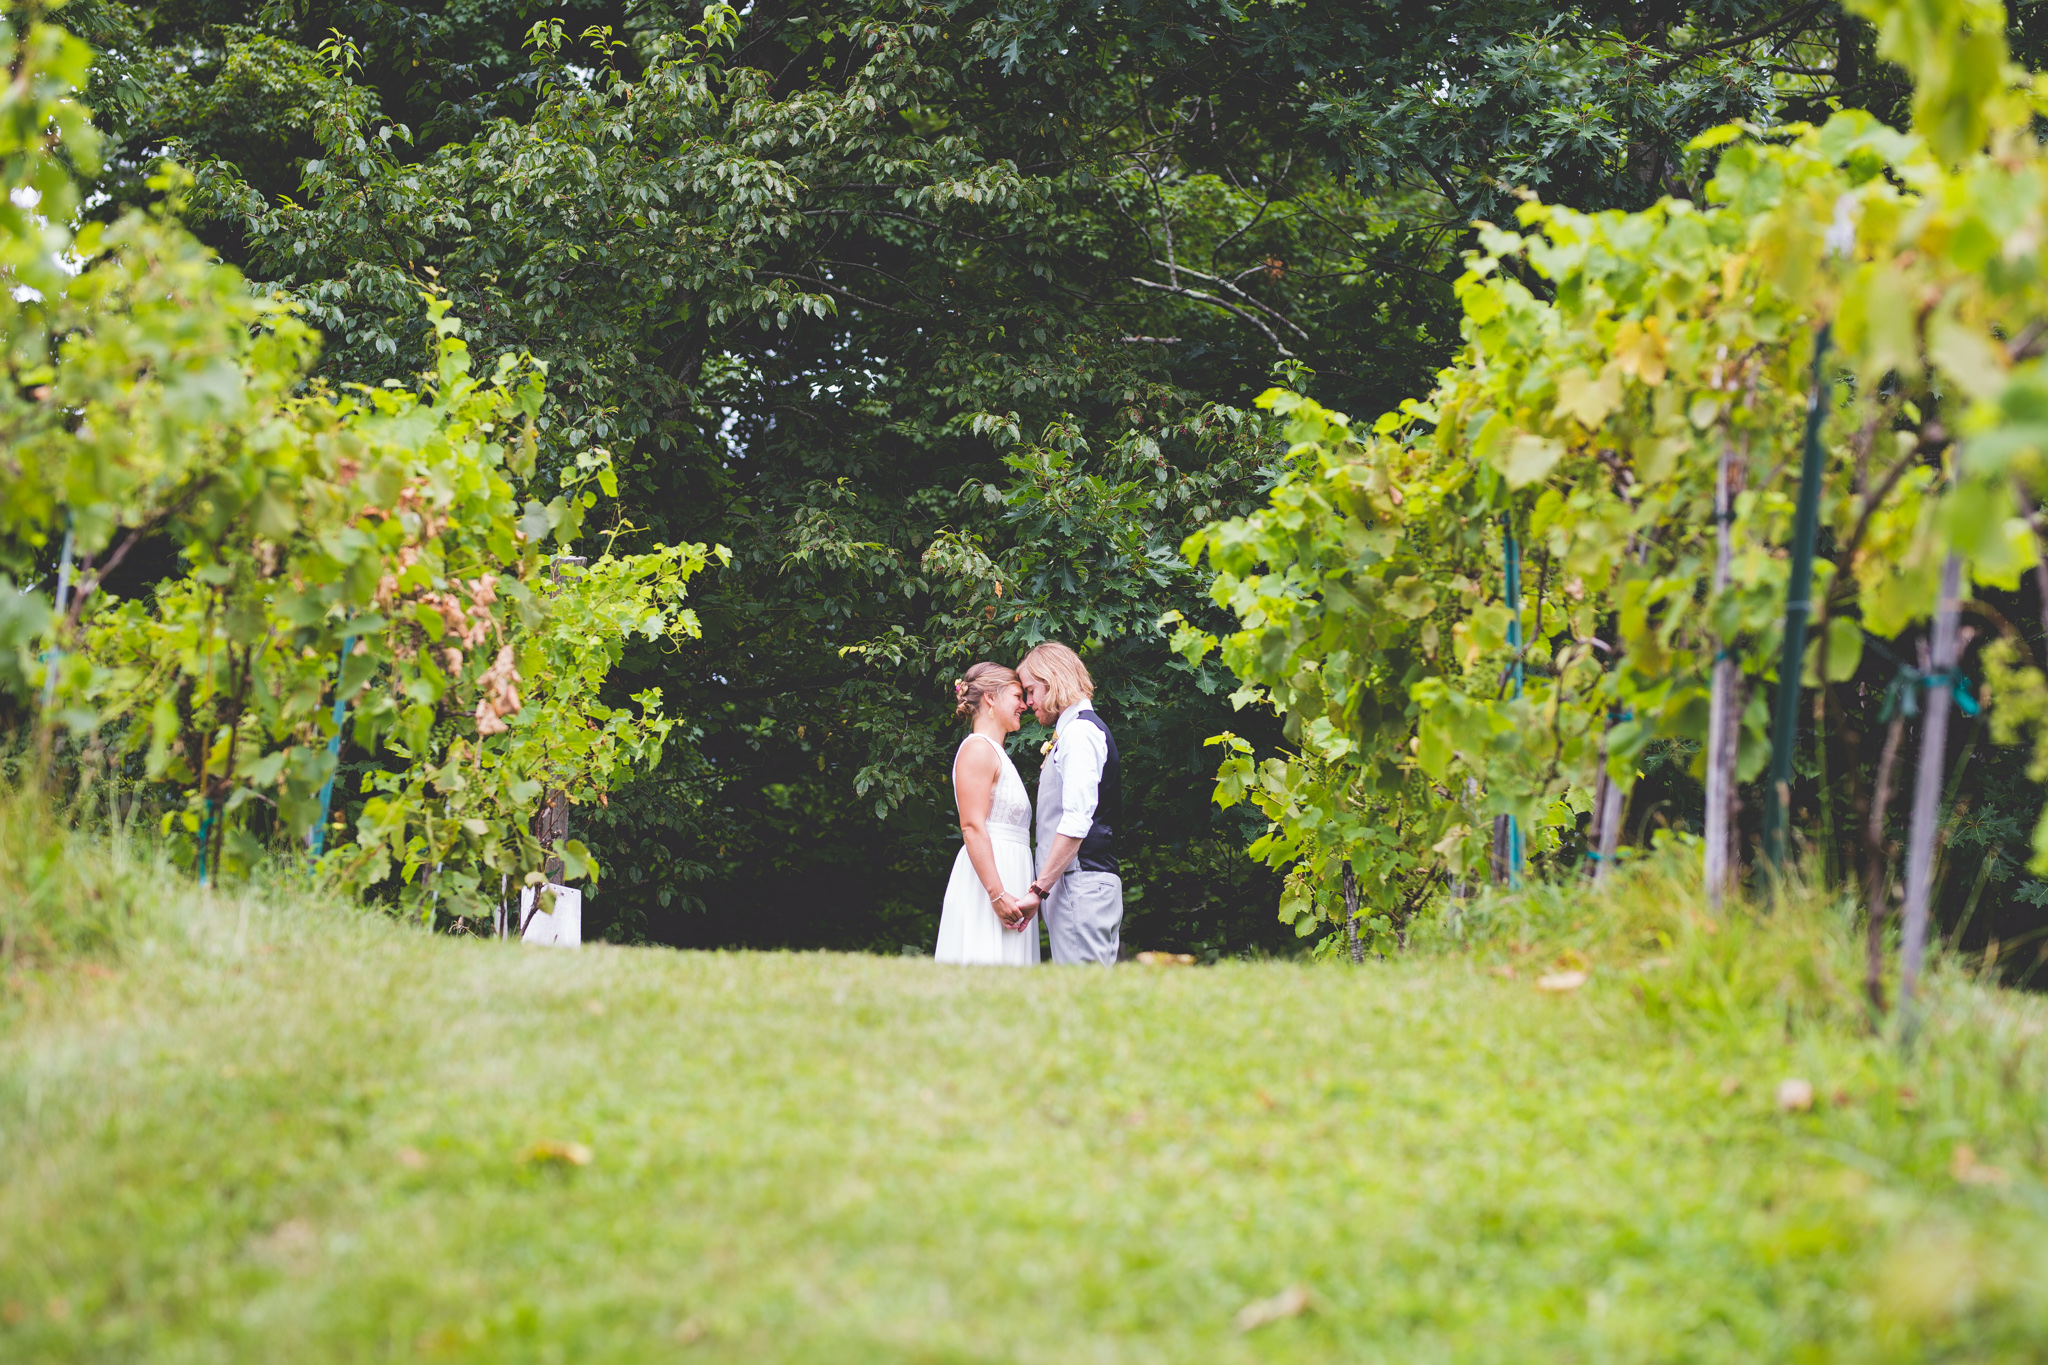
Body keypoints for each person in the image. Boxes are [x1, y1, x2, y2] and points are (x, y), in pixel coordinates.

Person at [1018, 642, 1123, 965]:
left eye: (1031, 690)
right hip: (1075, 885)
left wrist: (1038, 891)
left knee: (1086, 999)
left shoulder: (1079, 734)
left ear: (1053, 679)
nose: (1028, 702)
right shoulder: (1073, 733)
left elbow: (1078, 821)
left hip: (1081, 884)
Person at [933, 662, 1042, 966]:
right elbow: (971, 826)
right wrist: (997, 894)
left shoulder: (997, 754)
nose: (1024, 705)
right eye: (1017, 696)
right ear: (992, 698)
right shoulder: (978, 750)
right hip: (989, 883)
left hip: (1010, 874)